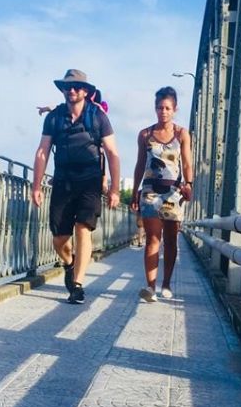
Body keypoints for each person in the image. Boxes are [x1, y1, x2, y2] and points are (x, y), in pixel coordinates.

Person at [32, 69, 120, 304]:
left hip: (89, 181)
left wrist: (114, 189)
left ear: (86, 91)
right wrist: (36, 186)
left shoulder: (97, 116)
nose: (72, 90)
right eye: (67, 87)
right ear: (62, 90)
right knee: (59, 238)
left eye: (77, 87)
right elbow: (42, 152)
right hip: (62, 180)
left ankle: (78, 285)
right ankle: (70, 264)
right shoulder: (55, 118)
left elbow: (112, 153)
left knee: (83, 228)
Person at [130, 86, 193, 302]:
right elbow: (140, 164)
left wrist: (189, 184)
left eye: (167, 108)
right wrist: (134, 192)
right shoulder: (145, 134)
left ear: (175, 109)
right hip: (150, 191)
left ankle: (166, 283)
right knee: (152, 239)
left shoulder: (181, 134)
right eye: (159, 107)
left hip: (173, 192)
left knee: (171, 241)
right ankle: (150, 287)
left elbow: (186, 162)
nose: (163, 112)